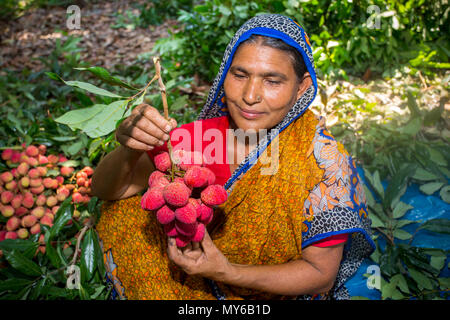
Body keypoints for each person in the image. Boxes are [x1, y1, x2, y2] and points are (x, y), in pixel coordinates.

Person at [91, 14, 375, 300]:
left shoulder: (322, 164)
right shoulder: (195, 141)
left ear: (301, 88)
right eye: (239, 75)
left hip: (269, 291)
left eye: (272, 81)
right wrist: (129, 147)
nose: (250, 96)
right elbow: (108, 190)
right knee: (125, 216)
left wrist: (226, 271)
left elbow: (319, 275)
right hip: (193, 279)